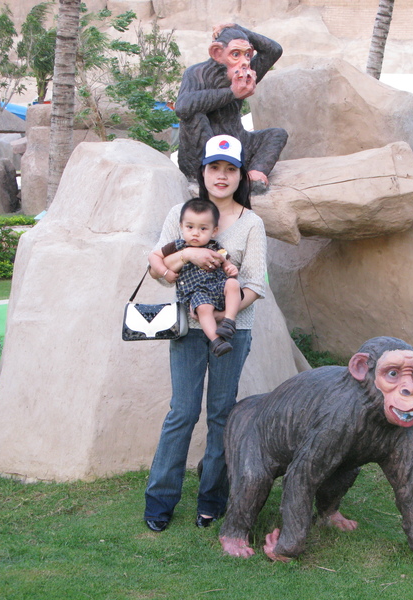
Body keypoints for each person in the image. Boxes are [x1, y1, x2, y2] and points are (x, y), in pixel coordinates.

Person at [144, 134, 267, 532]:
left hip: (234, 331)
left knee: (221, 414)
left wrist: (219, 314)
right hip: (186, 330)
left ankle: (212, 500)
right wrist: (187, 253)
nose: (221, 176)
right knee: (182, 412)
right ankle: (160, 501)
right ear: (203, 171)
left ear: (240, 176)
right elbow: (158, 269)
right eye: (215, 167)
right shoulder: (181, 214)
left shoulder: (251, 223)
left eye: (230, 169)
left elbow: (255, 284)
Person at [174, 23, 287, 190]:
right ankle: (209, 172)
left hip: (236, 142)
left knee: (277, 134)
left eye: (247, 54)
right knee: (194, 116)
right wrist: (232, 92)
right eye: (236, 54)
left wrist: (238, 28)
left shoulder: (244, 72)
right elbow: (182, 107)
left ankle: (255, 175)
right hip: (205, 150)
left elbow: (274, 50)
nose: (244, 62)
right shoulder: (197, 72)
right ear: (217, 53)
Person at [149, 197, 242, 357]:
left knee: (233, 284)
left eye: (203, 229)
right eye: (190, 227)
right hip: (196, 294)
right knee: (204, 308)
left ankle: (229, 321)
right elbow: (153, 256)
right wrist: (165, 272)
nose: (195, 233)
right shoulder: (177, 246)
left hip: (217, 288)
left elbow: (225, 262)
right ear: (181, 227)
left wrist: (231, 269)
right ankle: (217, 341)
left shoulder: (215, 247)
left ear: (214, 231)